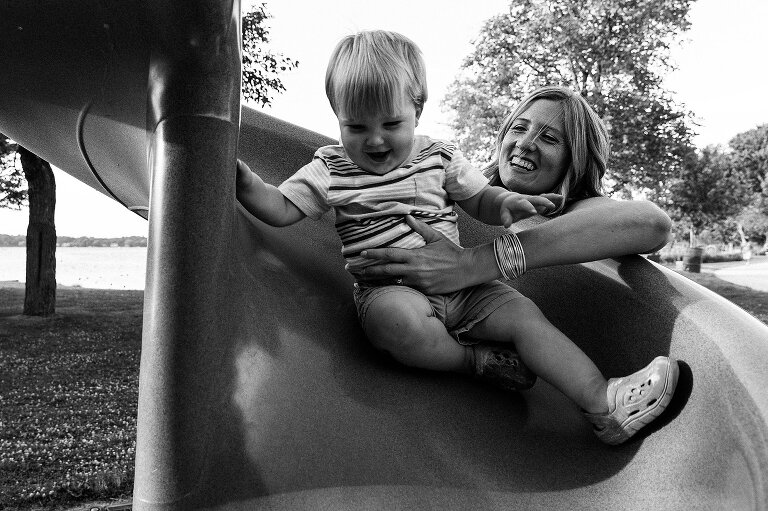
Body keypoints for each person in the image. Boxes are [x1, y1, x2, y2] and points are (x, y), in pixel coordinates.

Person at [236, 32, 678, 445]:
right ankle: (478, 360)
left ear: (575, 158)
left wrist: (480, 259)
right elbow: (282, 206)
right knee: (394, 320)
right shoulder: (346, 170)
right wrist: (245, 182)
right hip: (395, 294)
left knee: (526, 318)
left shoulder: (569, 210)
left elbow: (650, 224)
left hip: (476, 295)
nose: (524, 143)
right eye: (518, 128)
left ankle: (604, 402)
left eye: (549, 137)